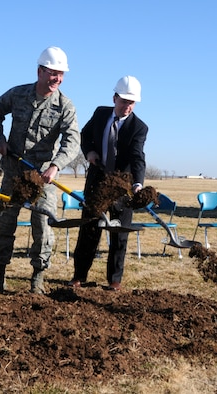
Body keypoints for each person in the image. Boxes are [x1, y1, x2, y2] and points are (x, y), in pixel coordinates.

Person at [0, 46, 80, 295]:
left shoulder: (65, 106)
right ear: (40, 71)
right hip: (14, 173)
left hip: (42, 178)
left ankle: (38, 278)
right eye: (52, 73)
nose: (56, 79)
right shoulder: (17, 94)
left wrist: (56, 165)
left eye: (61, 74)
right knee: (4, 223)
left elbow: (72, 141)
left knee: (44, 228)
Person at [67, 75, 148, 291]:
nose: (127, 107)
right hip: (97, 184)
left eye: (131, 103)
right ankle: (78, 277)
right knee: (89, 232)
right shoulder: (100, 113)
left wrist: (137, 184)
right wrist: (90, 151)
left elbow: (137, 157)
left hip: (122, 187)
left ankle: (114, 280)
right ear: (114, 98)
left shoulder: (139, 128)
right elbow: (85, 135)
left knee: (119, 234)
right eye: (124, 102)